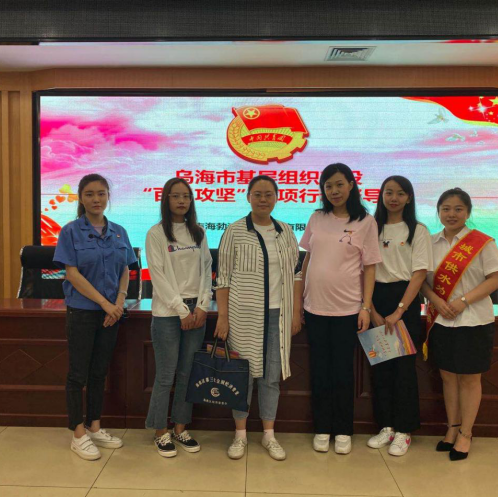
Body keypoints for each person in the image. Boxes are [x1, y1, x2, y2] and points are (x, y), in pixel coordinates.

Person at [214, 175, 302, 461]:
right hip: (243, 315)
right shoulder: (234, 231)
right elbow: (223, 279)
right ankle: (240, 435)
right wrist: (223, 317)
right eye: (257, 194)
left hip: (278, 316)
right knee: (242, 377)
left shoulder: (285, 231)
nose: (263, 199)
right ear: (248, 197)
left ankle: (268, 434)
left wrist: (295, 312)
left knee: (271, 377)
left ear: (276, 197)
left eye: (268, 194)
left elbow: (296, 274)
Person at [299, 163, 382, 455]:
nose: (334, 191)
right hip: (315, 308)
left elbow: (369, 268)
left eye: (339, 184)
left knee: (344, 372)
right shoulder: (317, 218)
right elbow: (308, 260)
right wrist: (301, 298)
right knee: (320, 370)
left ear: (351, 185)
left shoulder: (365, 222)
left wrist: (366, 307)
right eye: (328, 186)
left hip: (348, 309)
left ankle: (344, 429)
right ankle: (322, 427)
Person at [53, 174, 136, 461]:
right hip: (83, 312)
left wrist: (119, 302)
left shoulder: (119, 232)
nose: (96, 199)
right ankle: (78, 433)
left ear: (108, 196)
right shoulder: (70, 231)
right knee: (78, 374)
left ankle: (95, 426)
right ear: (81, 198)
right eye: (89, 194)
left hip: (112, 313)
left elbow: (125, 269)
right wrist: (105, 304)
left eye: (101, 193)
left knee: (99, 372)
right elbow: (72, 274)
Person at [421, 188, 498, 461]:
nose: (452, 214)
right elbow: (422, 281)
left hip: (474, 320)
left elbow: (496, 279)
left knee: (469, 378)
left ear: (468, 212)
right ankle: (452, 428)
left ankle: (466, 434)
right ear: (438, 212)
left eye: (458, 209)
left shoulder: (482, 243)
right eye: (446, 209)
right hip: (441, 321)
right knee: (448, 376)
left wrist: (463, 301)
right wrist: (436, 300)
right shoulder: (429, 243)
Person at [144, 178, 212, 457]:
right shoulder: (156, 233)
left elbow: (207, 269)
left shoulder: (198, 232)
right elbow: (157, 276)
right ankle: (160, 431)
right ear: (166, 199)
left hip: (196, 311)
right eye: (176, 196)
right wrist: (182, 310)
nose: (182, 201)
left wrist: (203, 306)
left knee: (187, 373)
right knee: (166, 375)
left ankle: (180, 428)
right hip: (168, 313)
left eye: (186, 196)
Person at [366, 176, 433, 457]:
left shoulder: (418, 230)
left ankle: (404, 430)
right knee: (380, 368)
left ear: (409, 197)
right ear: (381, 195)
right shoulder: (371, 227)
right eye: (389, 192)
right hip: (375, 298)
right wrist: (371, 309)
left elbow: (419, 274)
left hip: (404, 300)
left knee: (404, 369)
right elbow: (364, 270)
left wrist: (399, 311)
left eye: (400, 193)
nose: (394, 198)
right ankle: (387, 426)